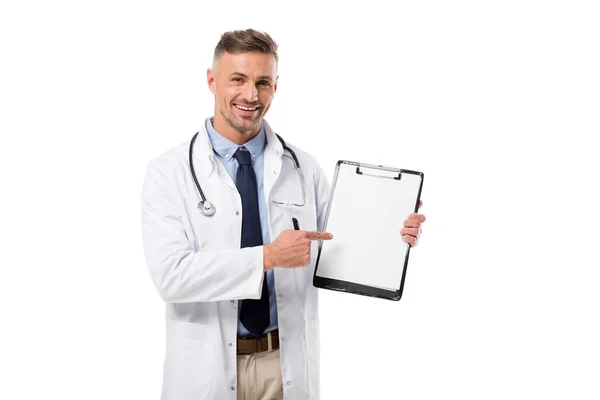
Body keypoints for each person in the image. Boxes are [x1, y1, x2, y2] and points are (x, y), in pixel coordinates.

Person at [140, 29, 426, 400]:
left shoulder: (303, 168)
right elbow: (170, 277)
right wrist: (268, 257)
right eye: (237, 79)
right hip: (204, 370)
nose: (250, 95)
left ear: (276, 86)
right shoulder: (169, 172)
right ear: (212, 81)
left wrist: (390, 233)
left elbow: (339, 253)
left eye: (263, 82)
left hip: (284, 364)